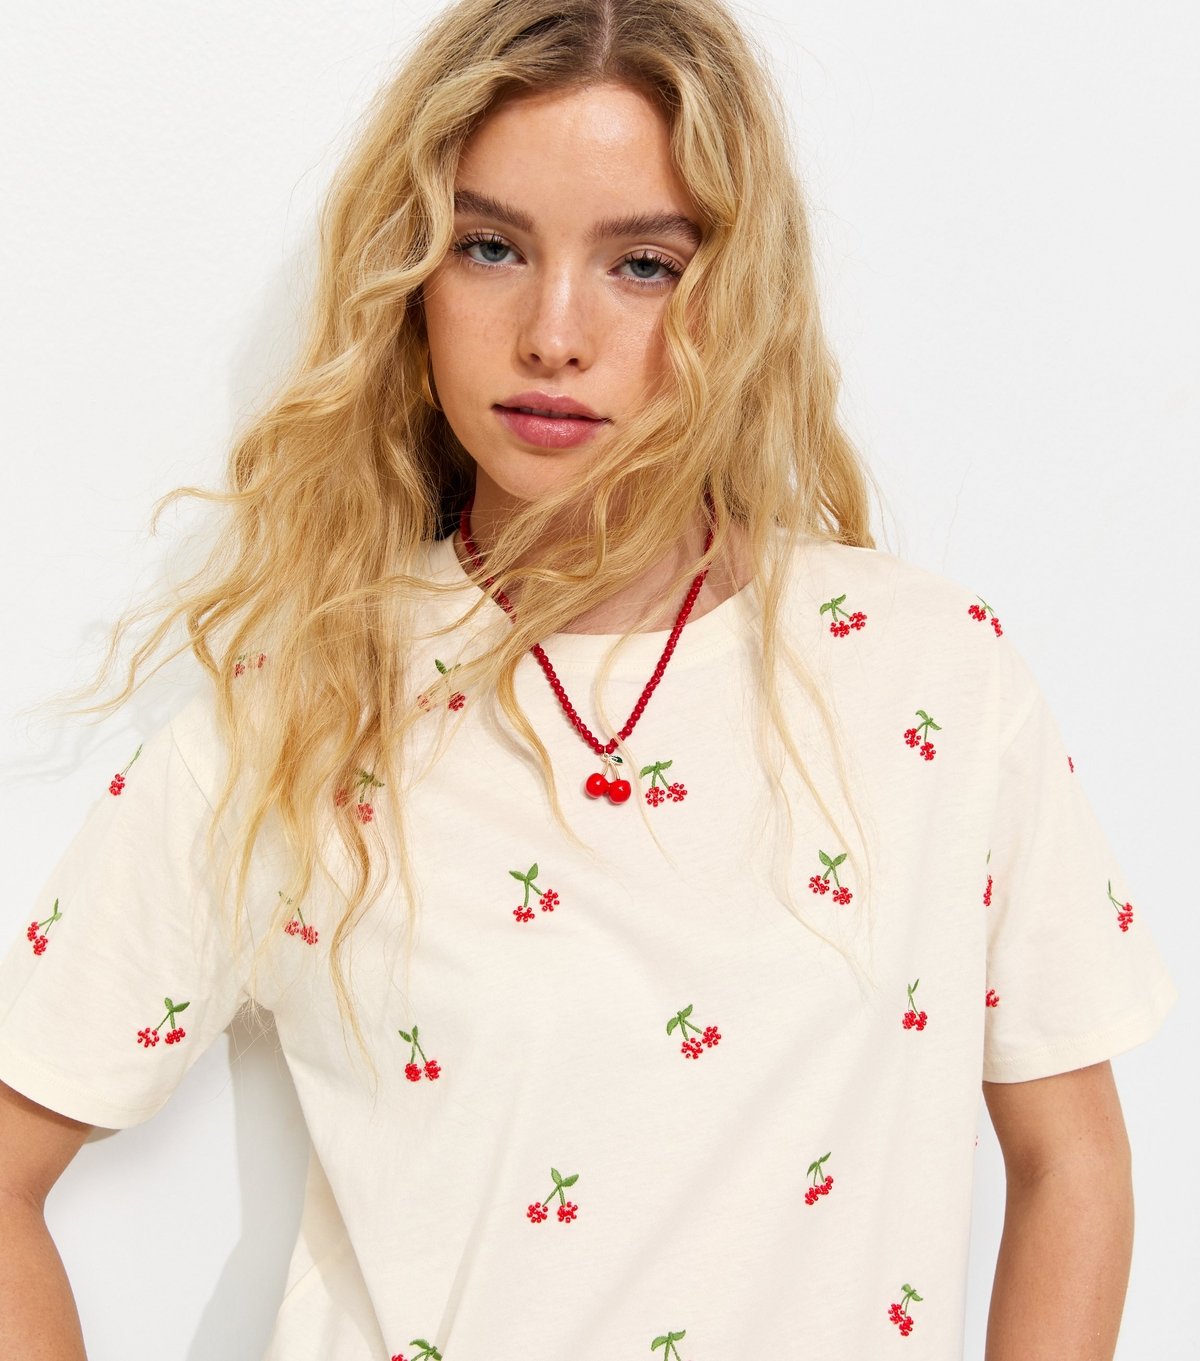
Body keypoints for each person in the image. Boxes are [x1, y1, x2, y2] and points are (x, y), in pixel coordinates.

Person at [0, 0, 1180, 1357]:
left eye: (642, 265)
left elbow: (1074, 1164)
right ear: (412, 277)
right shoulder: (306, 698)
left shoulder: (932, 678)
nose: (553, 333)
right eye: (491, 247)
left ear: (739, 293)